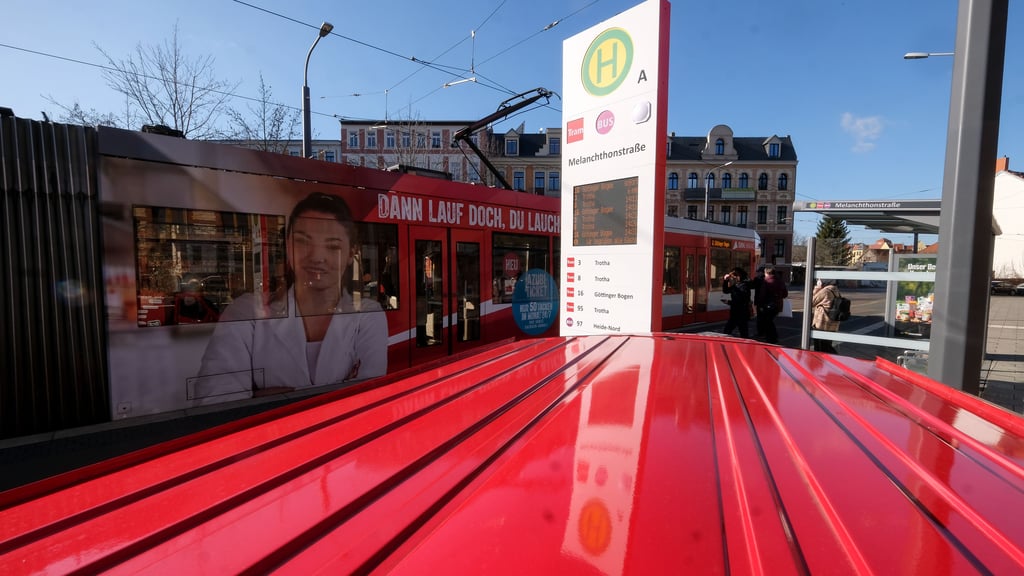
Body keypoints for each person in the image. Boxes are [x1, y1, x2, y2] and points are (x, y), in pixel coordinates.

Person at [195, 192, 388, 404]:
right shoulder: (245, 311)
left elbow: (369, 400)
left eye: (333, 246)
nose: (316, 256)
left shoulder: (368, 315)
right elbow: (214, 404)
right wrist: (335, 393)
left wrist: (268, 398)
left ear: (351, 253)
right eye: (303, 242)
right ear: (288, 247)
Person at [749, 264, 788, 344]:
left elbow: (762, 295)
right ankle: (772, 337)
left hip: (766, 305)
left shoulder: (766, 281)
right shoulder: (780, 281)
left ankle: (771, 338)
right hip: (777, 305)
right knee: (769, 321)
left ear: (766, 273)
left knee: (767, 322)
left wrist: (760, 304)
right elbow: (785, 294)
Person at [812, 278, 842, 353]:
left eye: (820, 280)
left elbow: (811, 302)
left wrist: (817, 288)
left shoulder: (825, 291)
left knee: (821, 347)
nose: (818, 281)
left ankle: (835, 361)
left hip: (822, 323)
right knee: (827, 345)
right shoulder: (835, 290)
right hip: (832, 324)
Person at [721, 267, 752, 338]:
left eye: (732, 277)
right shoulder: (737, 285)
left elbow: (740, 300)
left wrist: (729, 302)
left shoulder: (743, 286)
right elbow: (726, 290)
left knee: (731, 330)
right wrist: (726, 281)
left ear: (737, 276)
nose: (732, 278)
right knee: (742, 331)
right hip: (737, 312)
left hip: (741, 312)